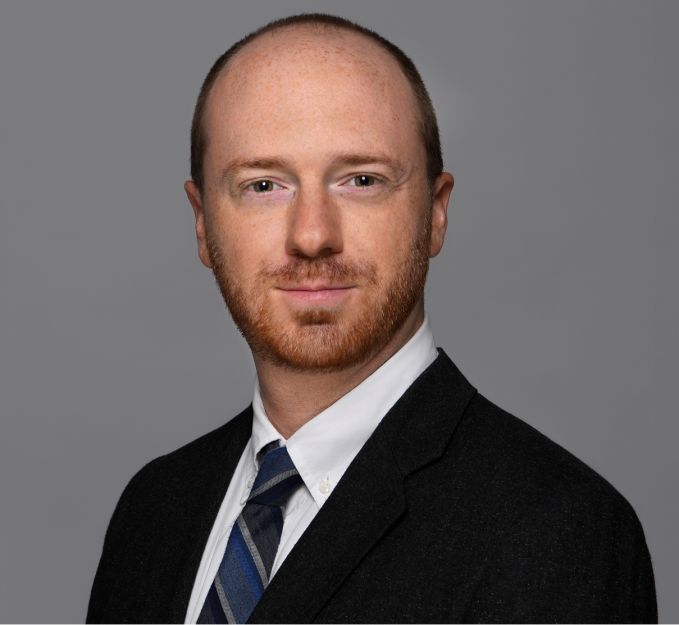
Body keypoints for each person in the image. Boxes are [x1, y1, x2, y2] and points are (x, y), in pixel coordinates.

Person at [87, 13, 657, 624]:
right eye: (263, 185)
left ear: (436, 213)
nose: (312, 236)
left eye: (361, 180)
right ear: (202, 223)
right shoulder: (154, 510)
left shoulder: (560, 532)